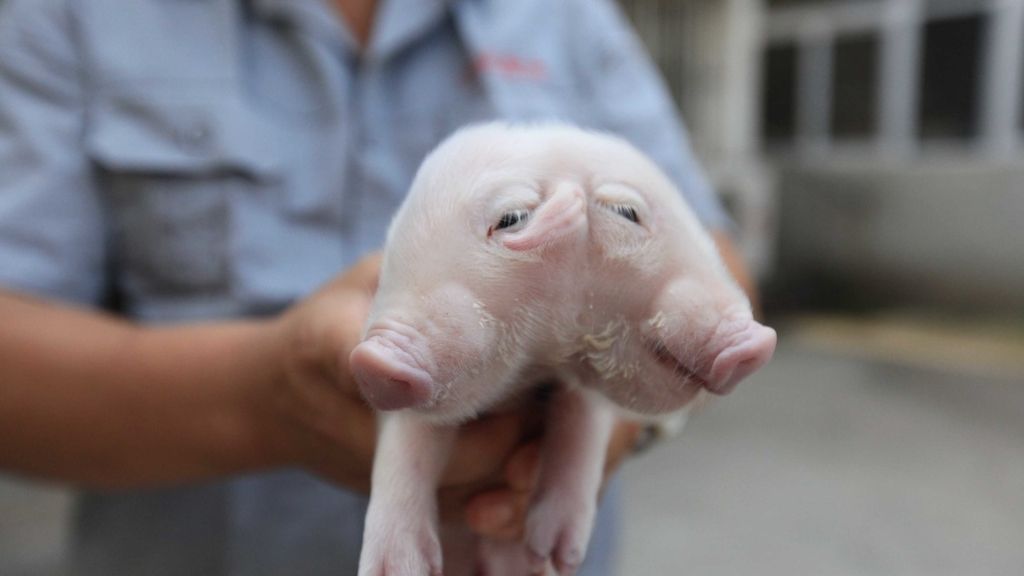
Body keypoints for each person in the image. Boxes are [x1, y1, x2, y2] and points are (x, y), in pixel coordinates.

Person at [0, 0, 757, 574]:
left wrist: (627, 408)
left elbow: (709, 265)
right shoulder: (62, 16)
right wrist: (264, 397)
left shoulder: (565, 15)